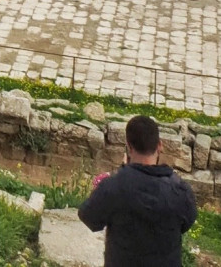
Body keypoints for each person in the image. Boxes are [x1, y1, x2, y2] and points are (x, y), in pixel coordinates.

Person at [77, 114, 196, 267]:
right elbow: (186, 223)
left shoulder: (114, 186)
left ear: (129, 147)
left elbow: (88, 216)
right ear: (160, 145)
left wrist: (123, 172)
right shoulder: (180, 191)